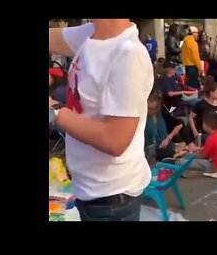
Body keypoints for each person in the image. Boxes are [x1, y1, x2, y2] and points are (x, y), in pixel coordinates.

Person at [48, 19, 153, 221]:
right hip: (88, 188)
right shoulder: (92, 33)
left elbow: (115, 140)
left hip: (111, 199)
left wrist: (55, 111)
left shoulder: (128, 55)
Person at [144, 92, 197, 162]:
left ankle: (185, 148)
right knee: (168, 150)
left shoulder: (161, 113)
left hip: (165, 143)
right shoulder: (143, 117)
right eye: (148, 108)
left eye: (152, 108)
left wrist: (169, 137)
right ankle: (178, 151)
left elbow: (179, 123)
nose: (149, 111)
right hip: (151, 147)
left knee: (183, 128)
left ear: (157, 108)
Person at [183, 112, 217, 176]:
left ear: (207, 126)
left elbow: (202, 156)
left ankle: (177, 163)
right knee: (188, 156)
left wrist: (192, 155)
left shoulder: (212, 139)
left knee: (185, 162)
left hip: (214, 166)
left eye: (203, 123)